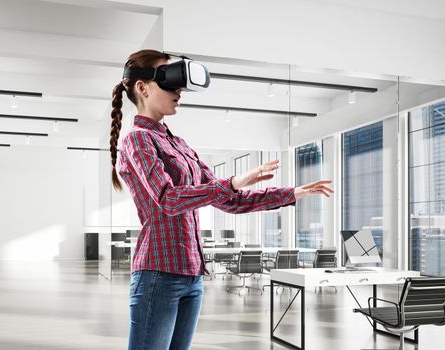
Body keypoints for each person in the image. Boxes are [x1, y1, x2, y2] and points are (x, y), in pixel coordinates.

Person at [109, 49, 333, 350]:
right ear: (142, 88)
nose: (179, 91)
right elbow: (168, 199)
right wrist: (232, 182)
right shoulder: (137, 139)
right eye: (169, 83)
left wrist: (291, 193)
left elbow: (230, 200)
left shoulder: (179, 144)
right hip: (158, 275)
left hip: (192, 276)